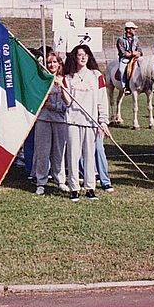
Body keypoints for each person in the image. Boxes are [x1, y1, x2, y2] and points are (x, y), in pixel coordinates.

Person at [60, 44, 109, 202]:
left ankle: (90, 188)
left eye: (85, 54)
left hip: (91, 122)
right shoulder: (68, 77)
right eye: (80, 54)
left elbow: (102, 100)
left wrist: (103, 122)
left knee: (90, 156)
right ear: (75, 57)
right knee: (73, 155)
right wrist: (62, 88)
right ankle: (74, 188)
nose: (83, 57)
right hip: (73, 121)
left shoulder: (96, 76)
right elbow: (67, 103)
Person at [32, 52, 69, 195]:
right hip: (43, 120)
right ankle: (41, 182)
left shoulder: (64, 79)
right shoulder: (41, 80)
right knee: (42, 152)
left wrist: (53, 107)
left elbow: (67, 104)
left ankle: (60, 180)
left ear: (59, 63)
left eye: (54, 62)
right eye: (49, 62)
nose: (52, 65)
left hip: (60, 120)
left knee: (59, 152)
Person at [115, 22, 142, 86]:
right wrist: (132, 53)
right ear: (128, 30)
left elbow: (140, 50)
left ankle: (148, 85)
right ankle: (124, 86)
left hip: (135, 58)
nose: (135, 30)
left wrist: (139, 53)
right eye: (133, 28)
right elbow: (123, 53)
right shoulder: (120, 40)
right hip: (125, 59)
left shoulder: (136, 39)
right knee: (121, 70)